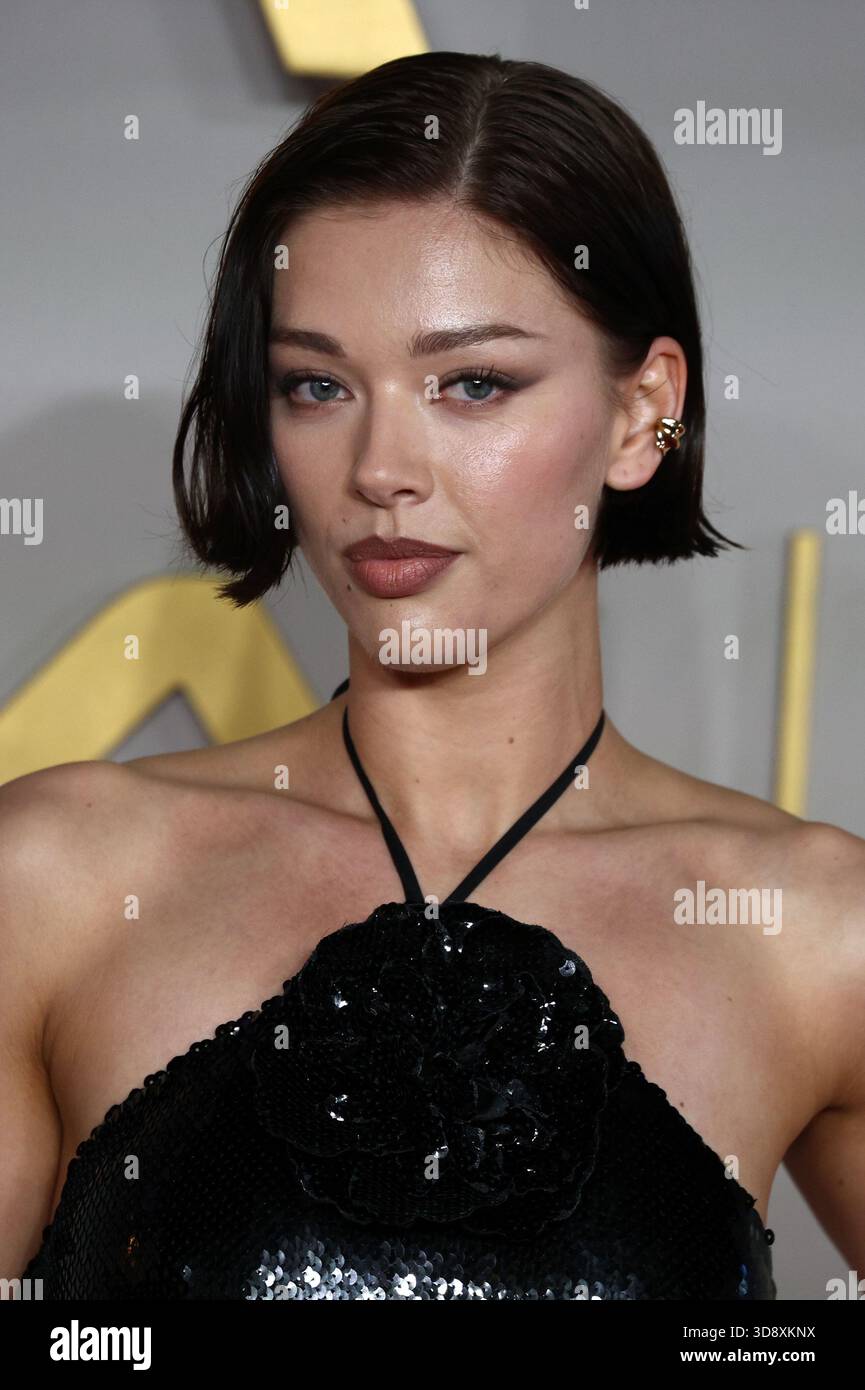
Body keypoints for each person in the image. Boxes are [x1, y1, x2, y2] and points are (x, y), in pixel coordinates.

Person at [2, 51, 863, 1301]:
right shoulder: (55, 884)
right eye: (317, 385)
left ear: (641, 417)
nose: (380, 467)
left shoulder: (812, 935)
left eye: (473, 383)